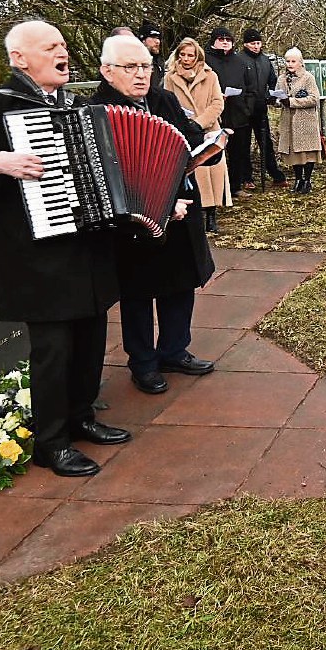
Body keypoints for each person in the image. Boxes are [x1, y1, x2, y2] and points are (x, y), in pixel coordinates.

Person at [0, 20, 124, 477]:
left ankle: (81, 418)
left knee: (91, 340)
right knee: (53, 351)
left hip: (87, 251)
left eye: (64, 45)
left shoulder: (74, 106)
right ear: (20, 59)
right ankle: (50, 443)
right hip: (39, 258)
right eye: (51, 46)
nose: (63, 52)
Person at [91, 35, 216, 396]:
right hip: (132, 222)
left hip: (180, 208)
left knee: (180, 282)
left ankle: (175, 349)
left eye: (146, 66)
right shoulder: (95, 111)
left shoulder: (163, 99)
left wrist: (209, 149)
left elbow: (190, 136)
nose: (141, 74)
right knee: (138, 292)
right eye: (131, 67)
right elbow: (104, 173)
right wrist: (158, 206)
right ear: (107, 71)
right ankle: (143, 362)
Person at [164, 36, 229, 233]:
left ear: (197, 56)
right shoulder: (170, 77)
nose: (186, 59)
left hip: (209, 129)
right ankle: (197, 212)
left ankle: (212, 214)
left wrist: (200, 122)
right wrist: (184, 123)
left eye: (190, 55)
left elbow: (218, 102)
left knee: (213, 172)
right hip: (184, 131)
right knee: (193, 172)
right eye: (182, 55)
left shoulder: (210, 75)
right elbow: (167, 103)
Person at [205, 26, 256, 196]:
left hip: (239, 113)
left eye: (228, 40)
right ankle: (216, 190)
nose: (225, 43)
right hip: (214, 115)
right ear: (214, 41)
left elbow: (250, 87)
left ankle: (235, 186)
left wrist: (247, 109)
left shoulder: (240, 61)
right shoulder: (205, 60)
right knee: (213, 153)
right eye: (221, 39)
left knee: (238, 152)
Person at [241, 28, 287, 188]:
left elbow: (272, 80)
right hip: (244, 109)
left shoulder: (265, 60)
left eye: (258, 43)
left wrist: (271, 95)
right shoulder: (239, 60)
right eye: (253, 43)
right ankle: (246, 177)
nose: (256, 46)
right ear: (246, 44)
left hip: (261, 107)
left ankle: (275, 173)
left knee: (265, 141)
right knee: (243, 143)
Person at [274, 47, 320, 193]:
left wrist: (292, 102)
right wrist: (274, 100)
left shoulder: (308, 77)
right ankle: (298, 179)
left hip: (306, 120)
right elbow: (278, 96)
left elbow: (314, 98)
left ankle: (307, 180)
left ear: (300, 62)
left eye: (293, 61)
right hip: (289, 120)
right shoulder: (281, 78)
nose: (290, 64)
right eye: (287, 61)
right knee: (294, 152)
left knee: (307, 152)